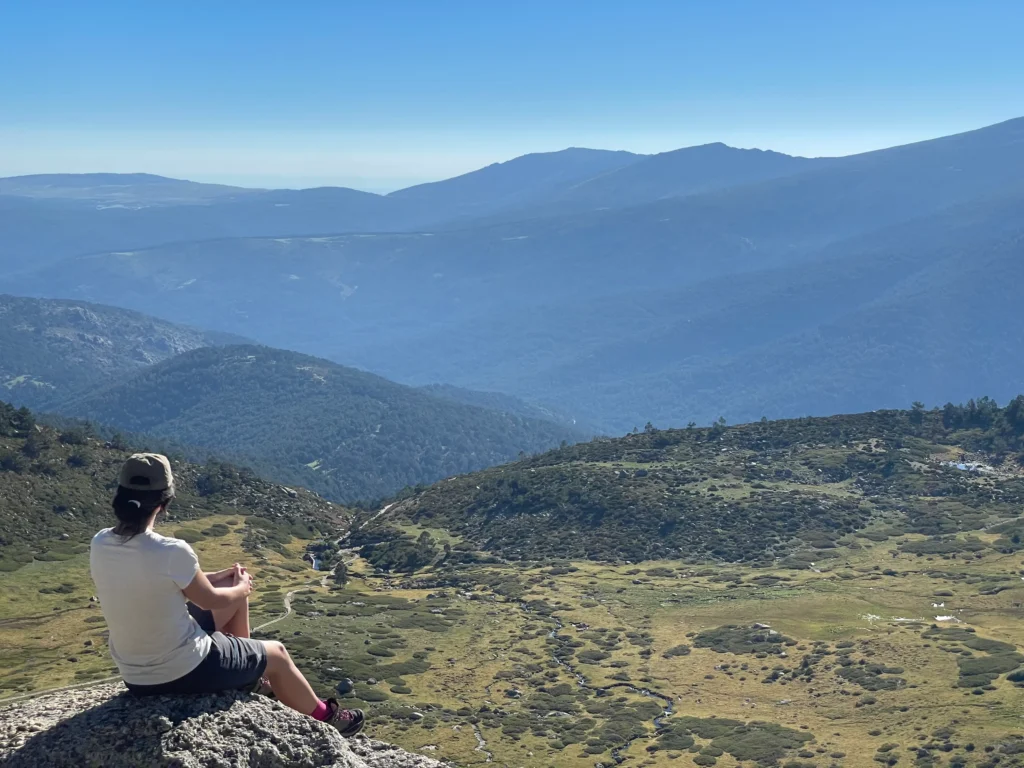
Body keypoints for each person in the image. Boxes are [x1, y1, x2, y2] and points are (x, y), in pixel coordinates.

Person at [89, 452, 364, 736]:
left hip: (135, 676)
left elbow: (159, 585)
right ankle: (328, 719)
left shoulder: (101, 541)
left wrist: (223, 578)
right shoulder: (171, 550)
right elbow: (209, 600)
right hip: (181, 671)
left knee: (230, 590)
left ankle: (248, 675)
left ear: (121, 496)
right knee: (278, 654)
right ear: (164, 502)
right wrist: (243, 587)